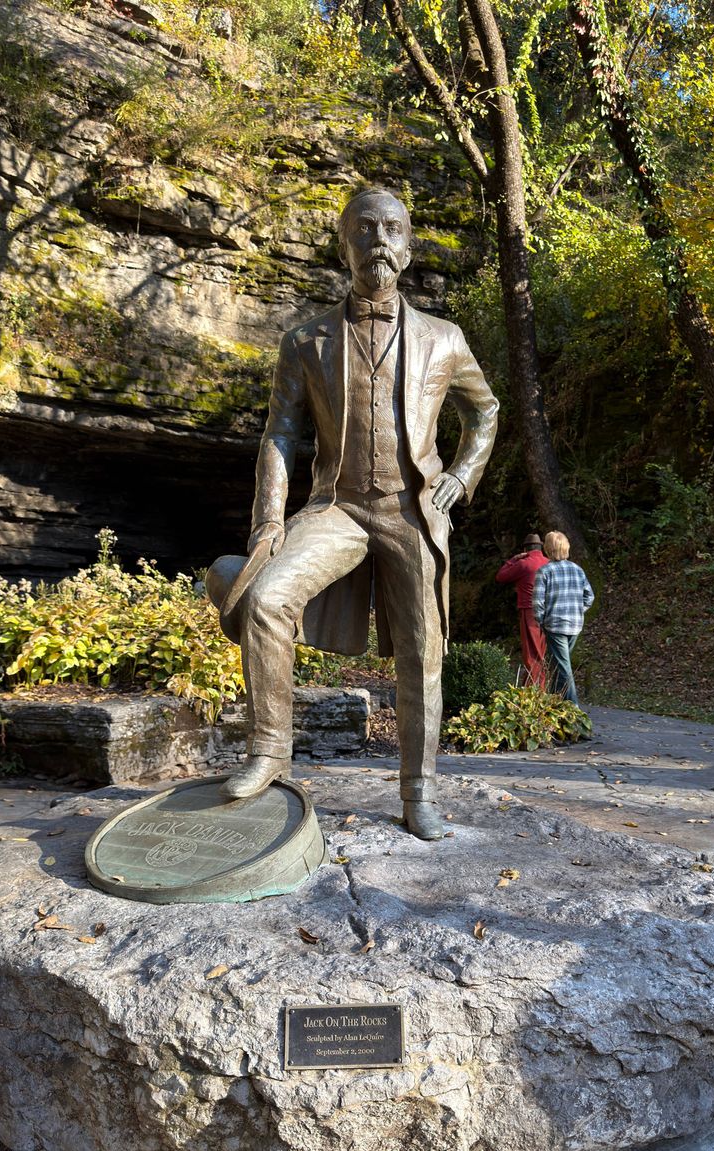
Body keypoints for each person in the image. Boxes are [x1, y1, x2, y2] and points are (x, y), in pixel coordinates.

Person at [213, 188, 498, 840]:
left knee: (424, 651)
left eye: (392, 228)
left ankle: (418, 791)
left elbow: (485, 411)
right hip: (337, 507)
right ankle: (267, 751)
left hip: (413, 510)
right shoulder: (305, 341)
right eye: (364, 229)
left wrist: (461, 474)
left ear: (409, 243)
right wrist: (269, 520)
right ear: (343, 244)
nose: (379, 240)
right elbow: (280, 434)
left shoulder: (444, 339)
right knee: (263, 599)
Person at [532, 531, 594, 705]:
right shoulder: (577, 570)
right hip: (575, 625)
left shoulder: (544, 572)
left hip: (555, 625)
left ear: (548, 549)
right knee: (558, 666)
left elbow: (537, 602)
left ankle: (574, 712)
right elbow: (589, 596)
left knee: (563, 668)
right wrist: (578, 611)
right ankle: (554, 703)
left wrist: (541, 620)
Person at [495, 532, 549, 687]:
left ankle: (536, 691)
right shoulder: (548, 562)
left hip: (529, 610)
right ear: (540, 547)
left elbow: (501, 576)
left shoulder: (524, 563)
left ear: (526, 548)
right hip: (547, 611)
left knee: (531, 654)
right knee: (540, 651)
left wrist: (514, 559)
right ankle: (532, 688)